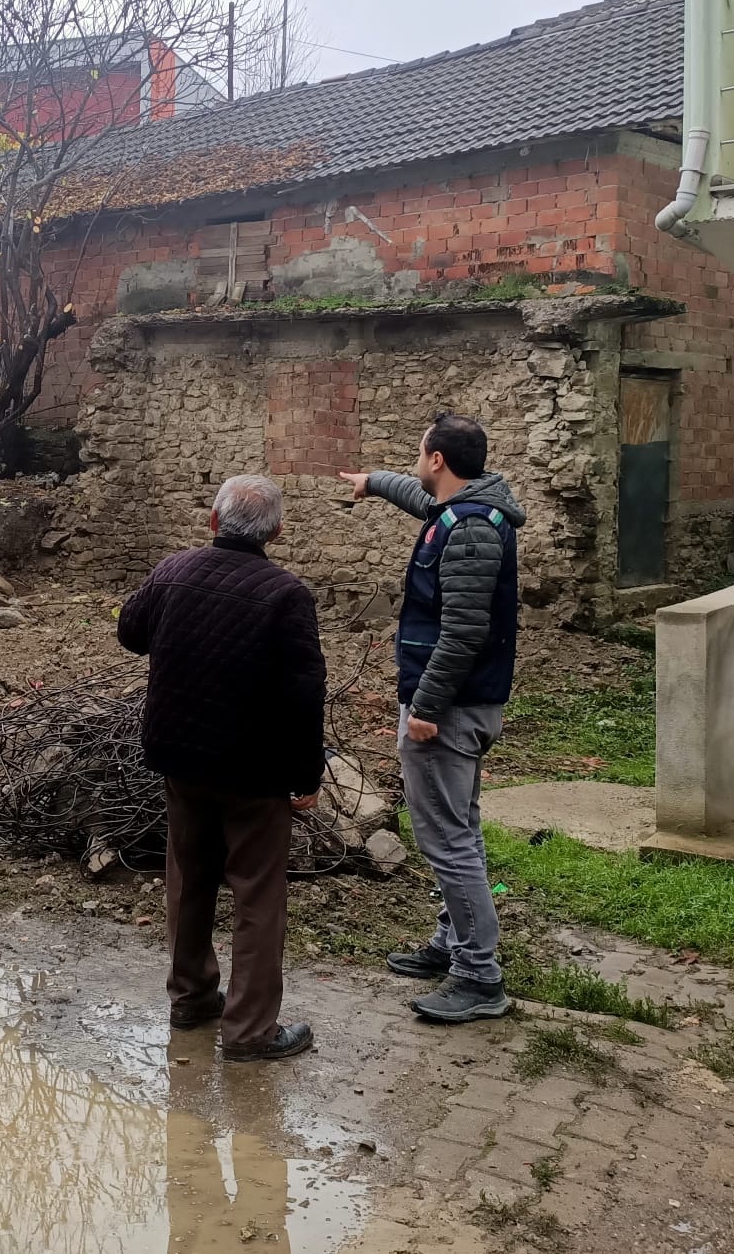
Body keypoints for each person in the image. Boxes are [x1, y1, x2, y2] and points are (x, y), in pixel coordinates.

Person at [116, 474, 326, 1062]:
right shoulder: (287, 595)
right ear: (277, 532)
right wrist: (306, 776)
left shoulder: (172, 570)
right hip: (255, 773)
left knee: (188, 877)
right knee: (258, 895)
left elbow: (130, 632)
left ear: (213, 520)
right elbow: (306, 693)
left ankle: (191, 999)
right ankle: (250, 1032)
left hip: (181, 757)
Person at [339, 412, 524, 1023]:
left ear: (439, 459)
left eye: (420, 454)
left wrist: (425, 708)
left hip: (448, 709)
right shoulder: (461, 511)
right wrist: (372, 480)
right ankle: (454, 942)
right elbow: (418, 497)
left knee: (447, 840)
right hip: (457, 705)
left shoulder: (470, 530)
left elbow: (465, 630)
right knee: (457, 829)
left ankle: (478, 976)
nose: (417, 465)